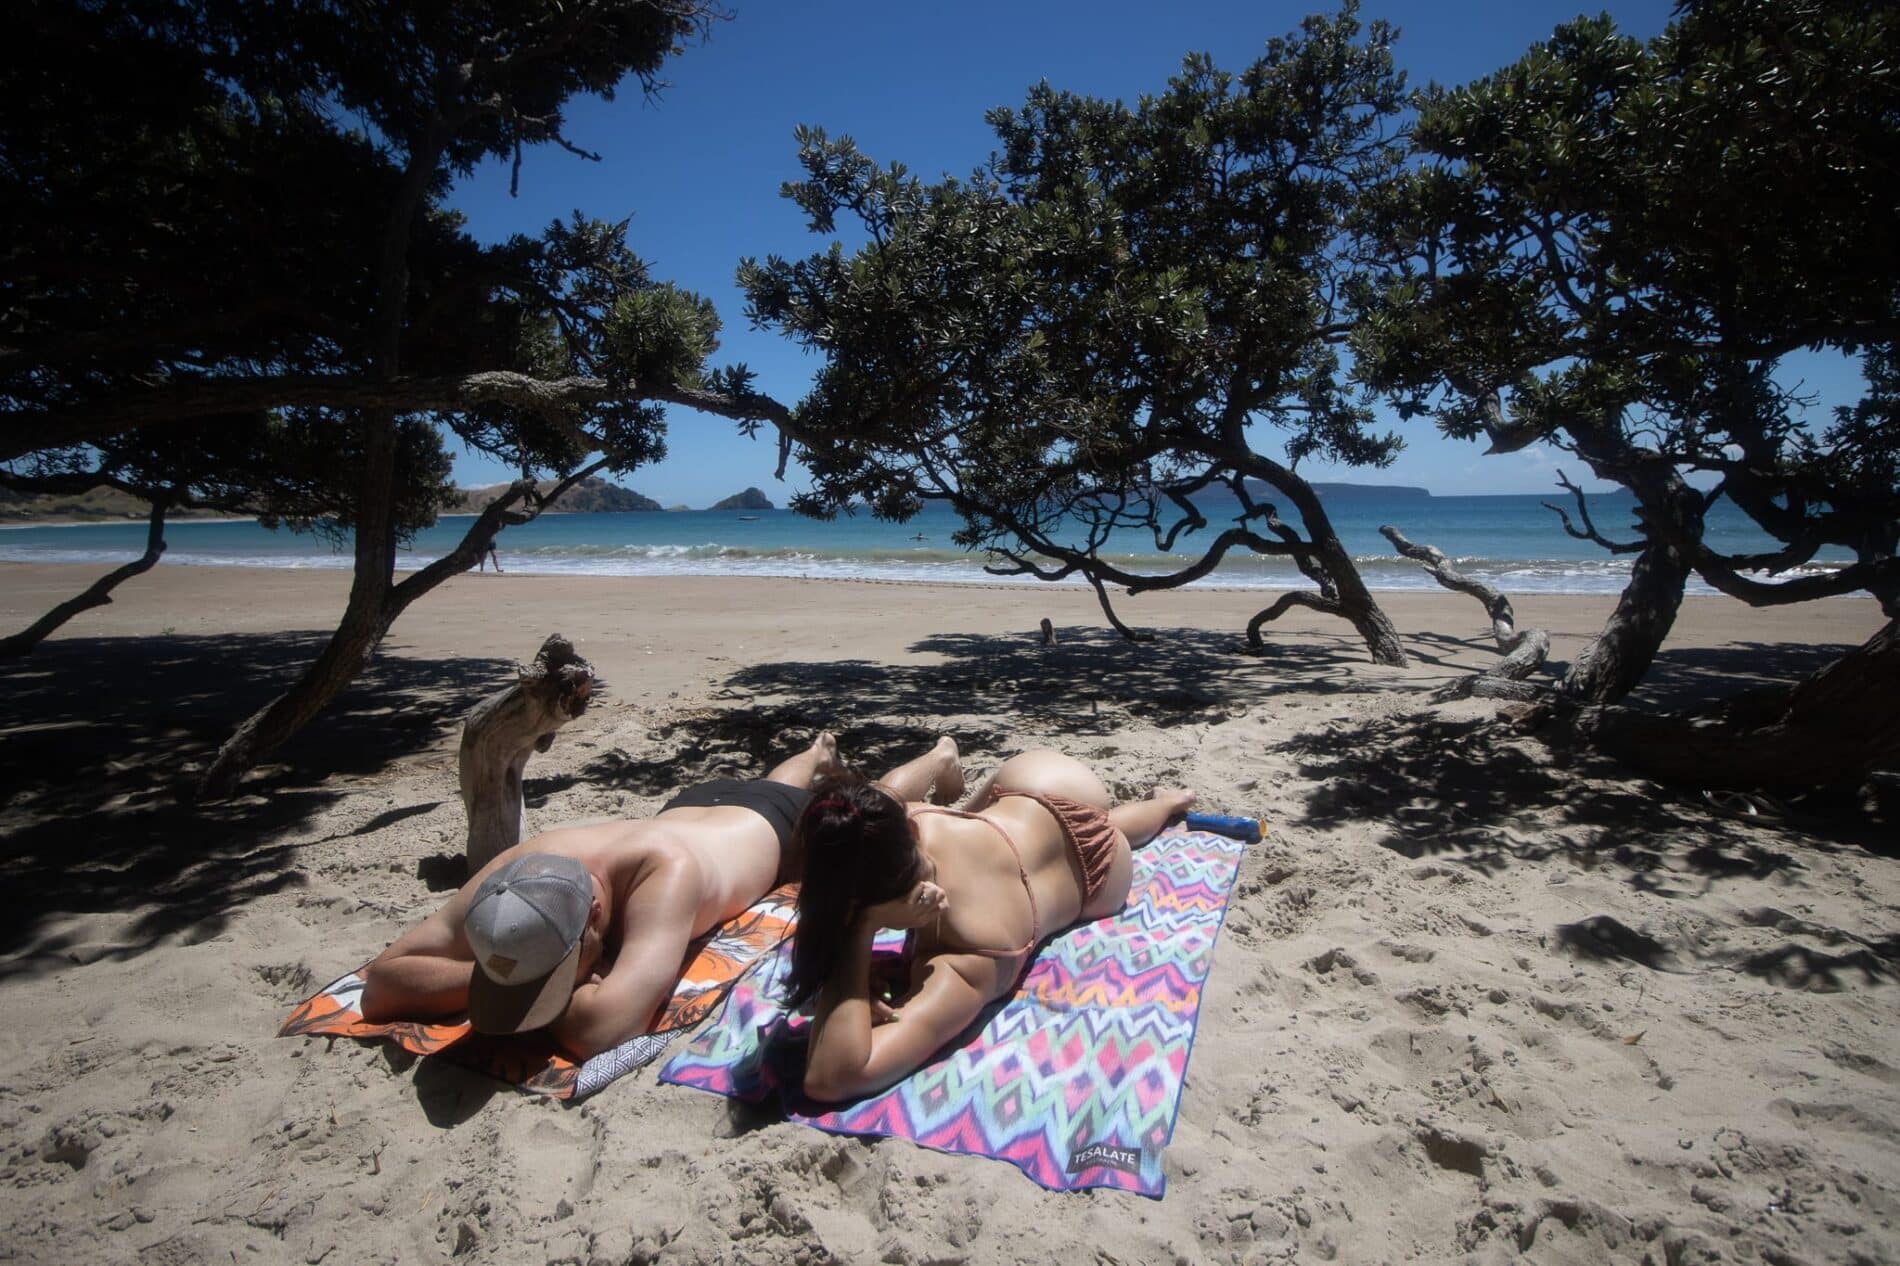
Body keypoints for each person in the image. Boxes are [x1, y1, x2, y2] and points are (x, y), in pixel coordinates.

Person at [360, 734, 966, 1059]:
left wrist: (517, 990)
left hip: (771, 833)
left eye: (568, 960)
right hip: (694, 808)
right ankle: (813, 754)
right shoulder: (514, 875)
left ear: (595, 914)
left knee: (877, 806)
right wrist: (503, 981)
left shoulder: (663, 879)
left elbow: (603, 1028)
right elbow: (381, 982)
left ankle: (935, 753)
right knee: (762, 787)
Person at [785, 749, 1195, 1102]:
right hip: (1047, 784)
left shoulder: (970, 955)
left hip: (1094, 866)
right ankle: (1169, 803)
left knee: (1111, 833)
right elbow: (869, 807)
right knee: (1109, 826)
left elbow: (832, 1078)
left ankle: (1167, 803)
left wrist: (859, 932)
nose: (936, 895)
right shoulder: (903, 821)